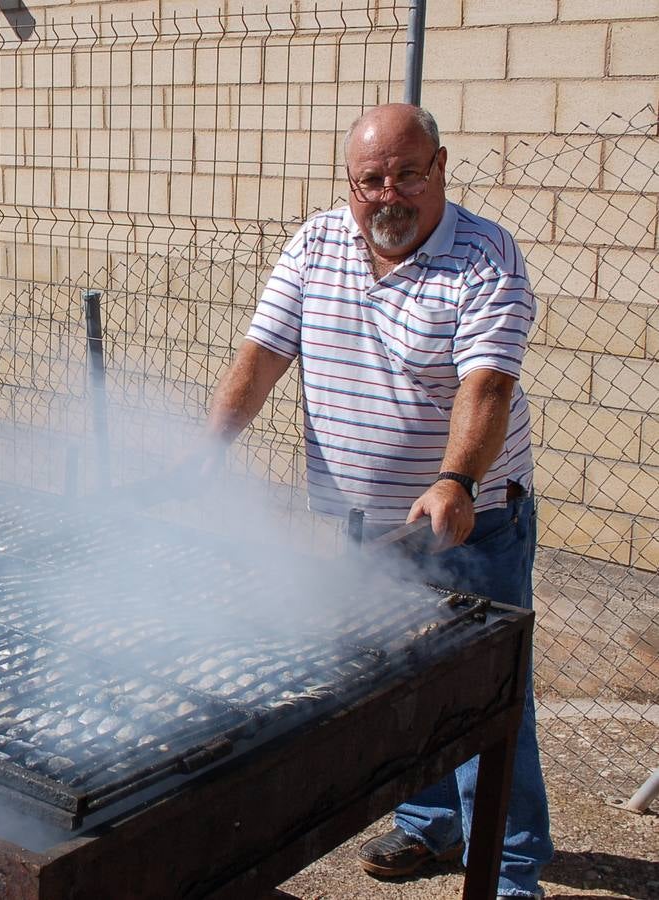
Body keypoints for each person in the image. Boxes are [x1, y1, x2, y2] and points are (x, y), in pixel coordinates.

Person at [198, 104, 552, 899]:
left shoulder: (485, 254)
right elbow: (259, 356)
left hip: (472, 523)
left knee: (489, 696)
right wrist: (206, 448)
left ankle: (511, 869)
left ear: (440, 168)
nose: (387, 194)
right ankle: (428, 828)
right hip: (362, 526)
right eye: (369, 180)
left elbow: (486, 383)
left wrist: (455, 479)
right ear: (348, 182)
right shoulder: (315, 241)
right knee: (397, 678)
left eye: (406, 174)